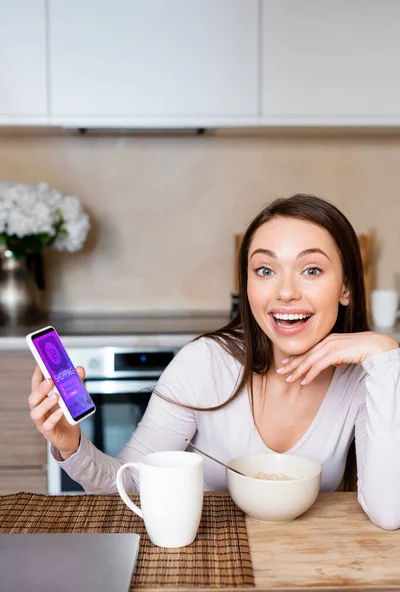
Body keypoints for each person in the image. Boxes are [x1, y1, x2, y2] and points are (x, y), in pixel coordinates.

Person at [28, 194, 400, 530]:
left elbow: (389, 511)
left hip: (312, 562)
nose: (286, 292)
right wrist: (70, 443)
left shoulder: (368, 378)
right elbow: (124, 487)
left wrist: (385, 354)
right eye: (265, 271)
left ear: (347, 287)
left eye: (312, 270)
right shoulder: (204, 364)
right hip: (206, 555)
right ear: (246, 284)